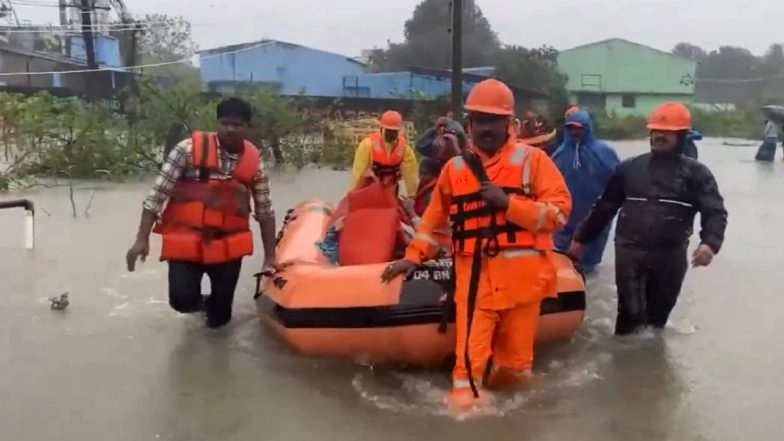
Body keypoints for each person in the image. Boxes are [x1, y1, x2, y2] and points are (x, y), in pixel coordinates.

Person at [381, 78, 572, 410]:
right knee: (466, 374)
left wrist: (510, 205)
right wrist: (413, 257)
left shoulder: (534, 161)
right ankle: (464, 416)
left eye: (494, 120)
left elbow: (559, 213)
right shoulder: (454, 170)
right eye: (480, 120)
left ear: (509, 124)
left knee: (514, 372)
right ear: (469, 125)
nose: (486, 128)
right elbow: (432, 223)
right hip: (475, 282)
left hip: (523, 285)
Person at [567, 101, 728, 336]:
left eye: (667, 132)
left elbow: (715, 211)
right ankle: (623, 356)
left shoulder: (697, 174)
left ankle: (650, 356)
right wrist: (581, 238)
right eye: (656, 131)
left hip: (670, 255)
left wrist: (709, 244)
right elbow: (605, 206)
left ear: (681, 136)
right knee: (630, 316)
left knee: (656, 321)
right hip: (630, 250)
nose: (659, 136)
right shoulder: (629, 168)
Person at [125, 98, 278, 328]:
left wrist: (270, 257)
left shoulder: (255, 165)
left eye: (237, 125)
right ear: (217, 123)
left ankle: (215, 316)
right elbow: (157, 195)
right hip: (187, 239)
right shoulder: (186, 150)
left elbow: (265, 212)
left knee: (220, 320)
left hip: (227, 244)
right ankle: (204, 305)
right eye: (225, 123)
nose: (230, 129)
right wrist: (141, 239)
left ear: (248, 127)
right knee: (181, 301)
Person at [552, 110, 620, 274]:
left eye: (578, 128)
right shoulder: (560, 154)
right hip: (566, 210)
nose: (574, 132)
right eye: (570, 128)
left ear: (587, 128)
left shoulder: (603, 152)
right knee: (560, 256)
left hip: (594, 210)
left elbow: (619, 178)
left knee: (589, 257)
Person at [350, 110, 418, 197]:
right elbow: (358, 173)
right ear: (381, 129)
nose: (391, 134)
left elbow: (411, 177)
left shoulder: (405, 150)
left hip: (391, 192)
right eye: (388, 131)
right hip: (370, 191)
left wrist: (412, 196)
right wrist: (352, 195)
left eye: (394, 131)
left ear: (399, 131)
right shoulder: (367, 145)